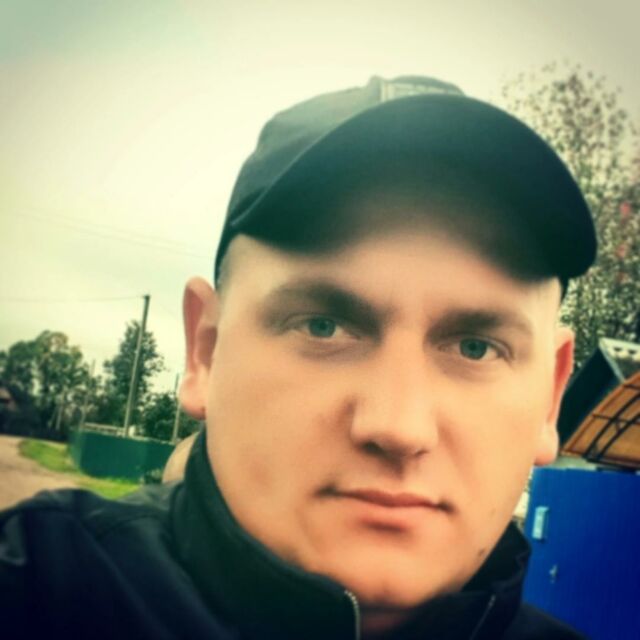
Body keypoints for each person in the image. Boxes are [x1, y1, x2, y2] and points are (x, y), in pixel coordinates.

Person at [0, 76, 595, 639]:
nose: (399, 427)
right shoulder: (37, 592)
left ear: (550, 398)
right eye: (323, 326)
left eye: (475, 347)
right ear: (205, 352)